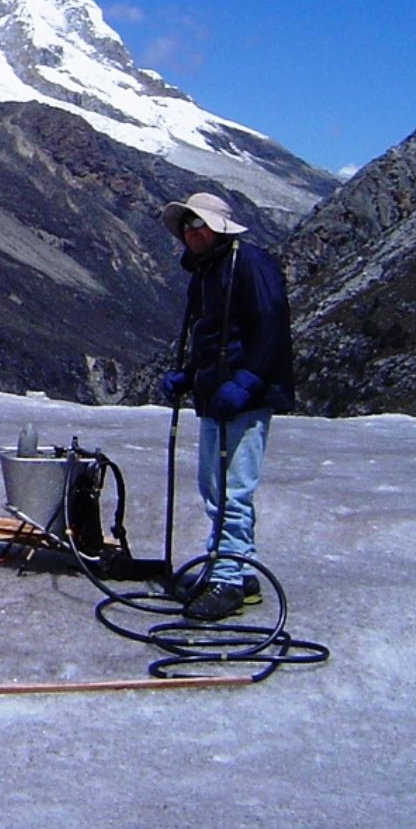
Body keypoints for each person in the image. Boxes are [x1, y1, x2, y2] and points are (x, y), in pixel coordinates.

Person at [157, 191, 295, 621]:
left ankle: (228, 579)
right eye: (187, 225)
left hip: (242, 397)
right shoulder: (209, 269)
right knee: (215, 487)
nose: (192, 232)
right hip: (217, 394)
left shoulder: (248, 263)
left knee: (231, 490)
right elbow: (212, 335)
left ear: (219, 227)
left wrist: (248, 380)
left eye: (199, 224)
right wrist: (189, 375)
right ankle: (238, 570)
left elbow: (272, 325)